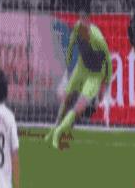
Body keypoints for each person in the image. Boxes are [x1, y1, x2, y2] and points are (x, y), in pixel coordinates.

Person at [44, 10, 112, 150]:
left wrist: (105, 84)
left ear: (88, 25)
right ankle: (55, 126)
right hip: (81, 68)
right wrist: (68, 65)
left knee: (79, 106)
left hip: (95, 74)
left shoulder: (98, 39)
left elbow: (108, 62)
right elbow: (71, 45)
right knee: (66, 98)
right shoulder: (76, 29)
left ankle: (58, 132)